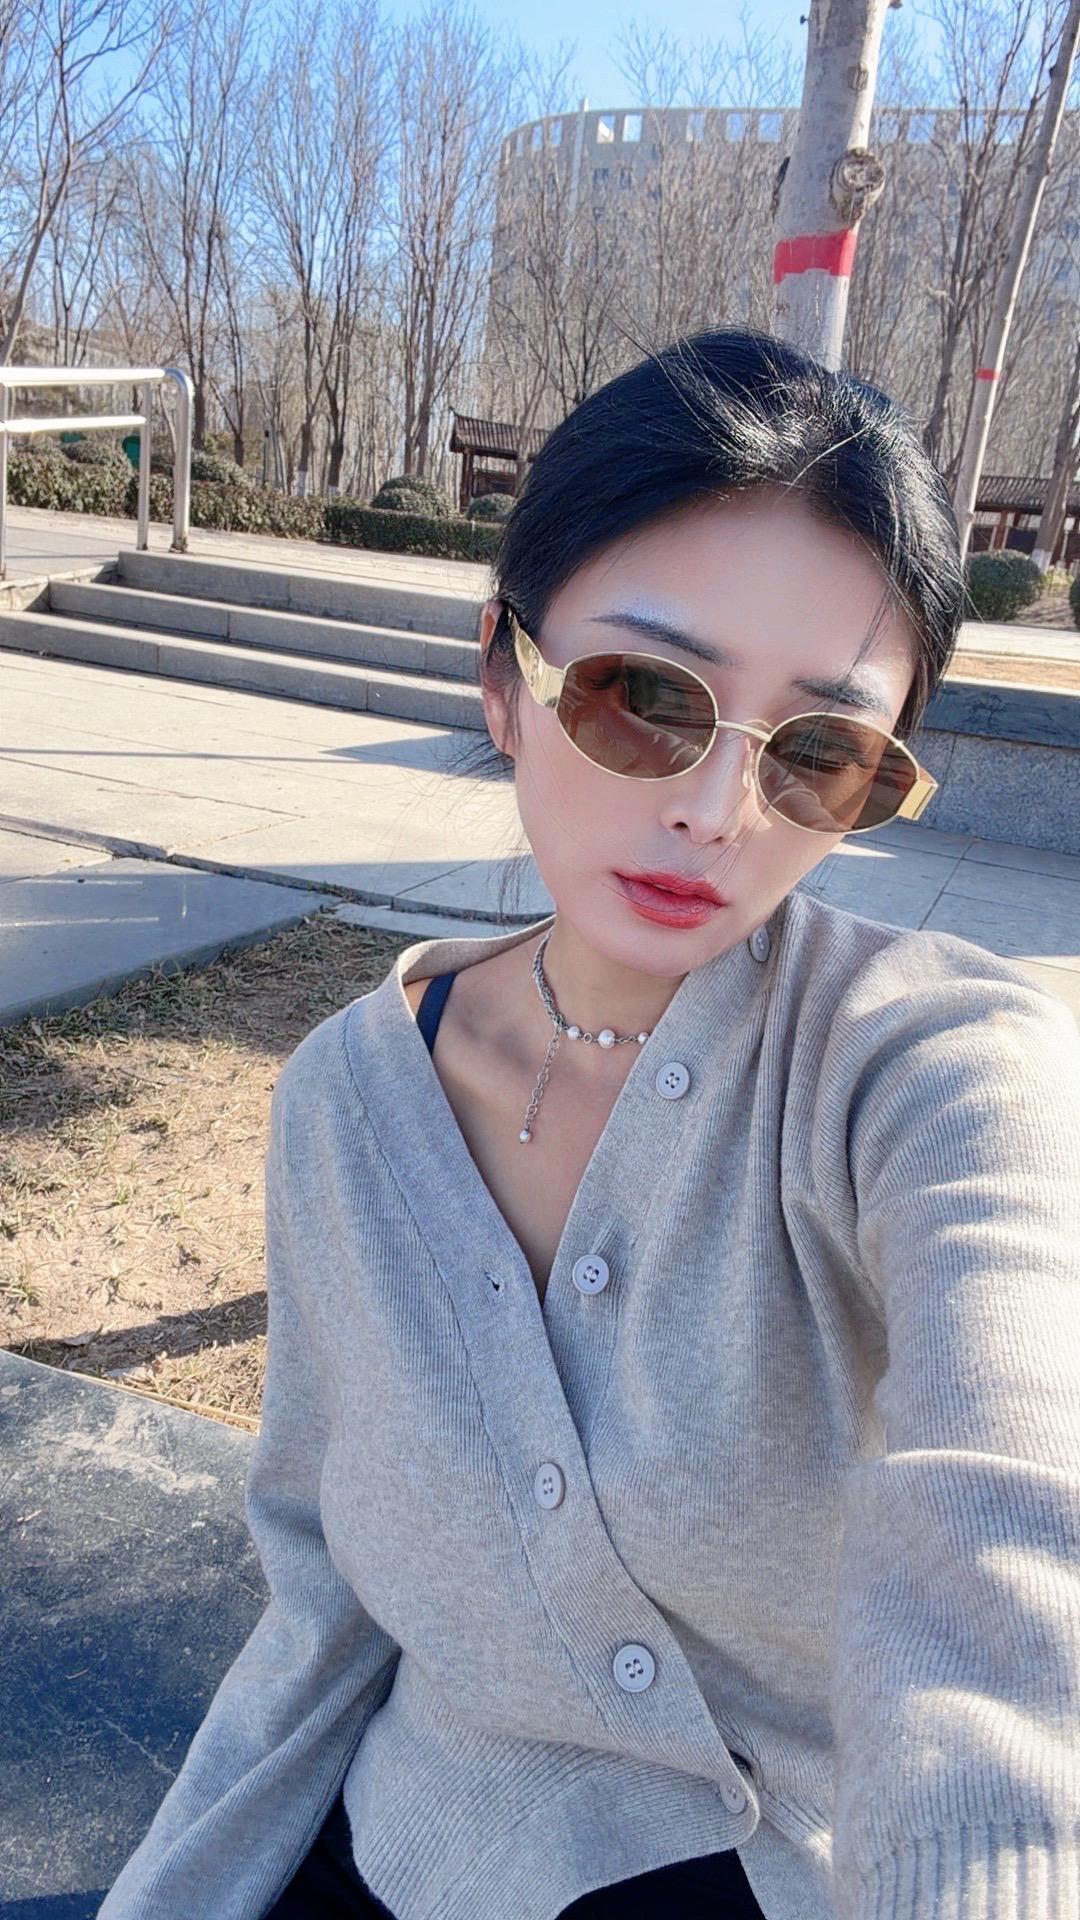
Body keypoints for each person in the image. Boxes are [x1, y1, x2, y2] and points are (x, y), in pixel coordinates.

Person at [97, 327, 1080, 1920]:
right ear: (504, 675)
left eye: (819, 753)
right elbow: (323, 1600)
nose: (715, 809)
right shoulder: (346, 1107)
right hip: (410, 1836)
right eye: (644, 697)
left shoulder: (932, 1072)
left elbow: (1010, 1567)